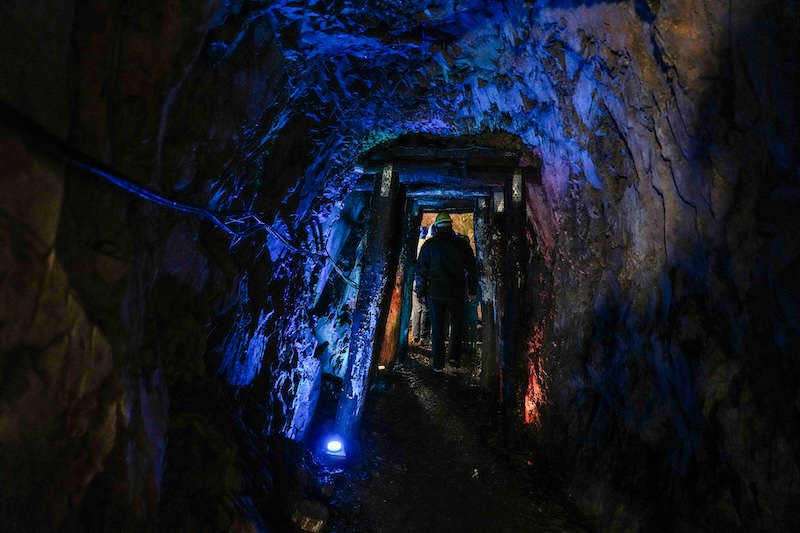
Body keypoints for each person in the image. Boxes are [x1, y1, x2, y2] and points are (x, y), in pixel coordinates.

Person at [414, 212, 477, 371]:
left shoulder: (429, 246)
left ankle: (438, 364)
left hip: (435, 293)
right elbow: (471, 268)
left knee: (437, 328)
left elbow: (420, 270)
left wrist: (420, 291)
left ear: (436, 227)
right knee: (457, 326)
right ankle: (454, 358)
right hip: (456, 292)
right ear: (450, 226)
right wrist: (472, 289)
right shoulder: (462, 244)